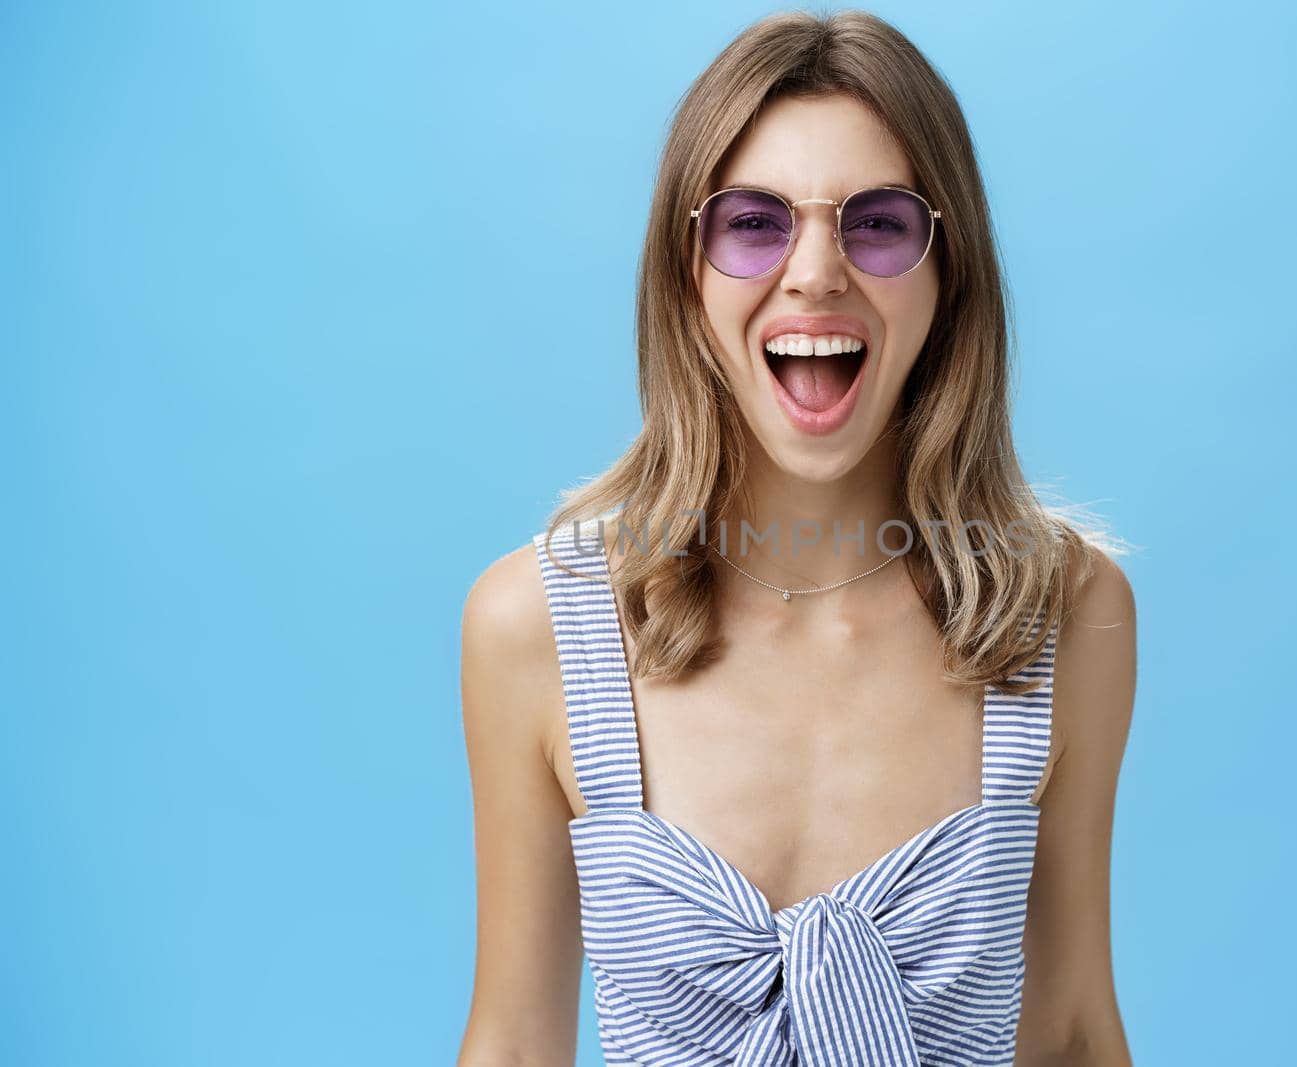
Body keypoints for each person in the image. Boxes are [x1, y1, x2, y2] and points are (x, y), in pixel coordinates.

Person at [456, 10, 1137, 1066]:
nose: (816, 273)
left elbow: (1074, 1030)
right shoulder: (535, 624)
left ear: (945, 275)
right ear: (687, 280)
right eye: (754, 223)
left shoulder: (1067, 613)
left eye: (876, 224)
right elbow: (512, 1043)